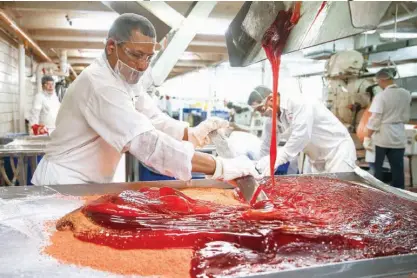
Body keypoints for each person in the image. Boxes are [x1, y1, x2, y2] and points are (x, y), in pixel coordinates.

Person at [32, 14, 259, 185]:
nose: (142, 65)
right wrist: (220, 167)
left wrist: (190, 133)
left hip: (88, 181)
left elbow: (152, 118)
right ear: (111, 46)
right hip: (63, 183)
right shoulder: (99, 84)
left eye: (148, 57)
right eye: (136, 55)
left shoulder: (125, 77)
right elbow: (147, 143)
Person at [256, 92, 357, 175]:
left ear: (271, 99)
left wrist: (275, 161)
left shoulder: (298, 102)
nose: (262, 114)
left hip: (337, 151)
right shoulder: (272, 119)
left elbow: (300, 137)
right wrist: (259, 168)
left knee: (339, 191)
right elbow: (267, 144)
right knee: (321, 194)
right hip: (316, 158)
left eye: (261, 109)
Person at [364, 68, 411, 189]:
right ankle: (399, 194)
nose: (378, 83)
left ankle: (378, 192)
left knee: (377, 167)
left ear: (382, 79)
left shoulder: (381, 96)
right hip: (399, 135)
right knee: (398, 169)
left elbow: (375, 120)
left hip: (382, 136)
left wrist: (367, 137)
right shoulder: (406, 94)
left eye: (378, 81)